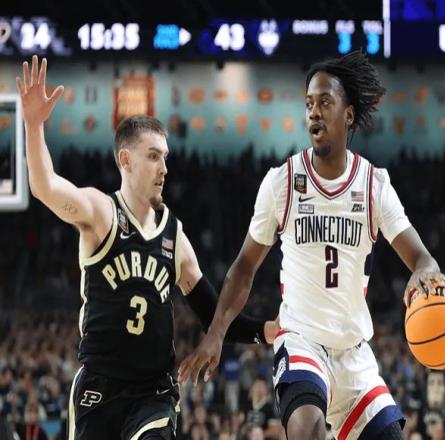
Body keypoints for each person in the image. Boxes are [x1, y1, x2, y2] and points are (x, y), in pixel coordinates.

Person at [178, 50, 445, 440]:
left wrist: (424, 271)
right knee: (307, 429)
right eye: (308, 104)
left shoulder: (374, 185)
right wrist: (217, 332)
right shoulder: (283, 182)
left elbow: (421, 257)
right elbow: (244, 267)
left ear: (348, 115)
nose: (314, 113)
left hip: (353, 354)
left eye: (324, 102)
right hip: (301, 341)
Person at [16, 55, 279, 440]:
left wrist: (269, 330)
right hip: (98, 388)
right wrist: (33, 126)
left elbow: (214, 315)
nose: (164, 168)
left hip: (153, 392)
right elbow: (45, 186)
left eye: (165, 157)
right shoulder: (101, 212)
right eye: (153, 156)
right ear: (126, 160)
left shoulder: (175, 236)